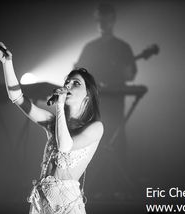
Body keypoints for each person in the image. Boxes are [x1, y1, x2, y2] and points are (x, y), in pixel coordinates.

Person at [0, 41, 104, 214]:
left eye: (76, 83)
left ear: (88, 95)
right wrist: (7, 63)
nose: (68, 85)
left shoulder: (96, 127)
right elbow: (17, 98)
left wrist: (59, 105)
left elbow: (65, 146)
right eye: (67, 81)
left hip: (67, 204)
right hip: (41, 201)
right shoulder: (53, 123)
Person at [75, 3, 137, 199]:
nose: (102, 23)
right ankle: (94, 189)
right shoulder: (90, 47)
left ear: (113, 20)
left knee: (116, 140)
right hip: (94, 105)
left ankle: (119, 188)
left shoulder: (123, 47)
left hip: (114, 104)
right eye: (99, 19)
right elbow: (78, 72)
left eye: (105, 18)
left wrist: (125, 71)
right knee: (92, 142)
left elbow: (131, 74)